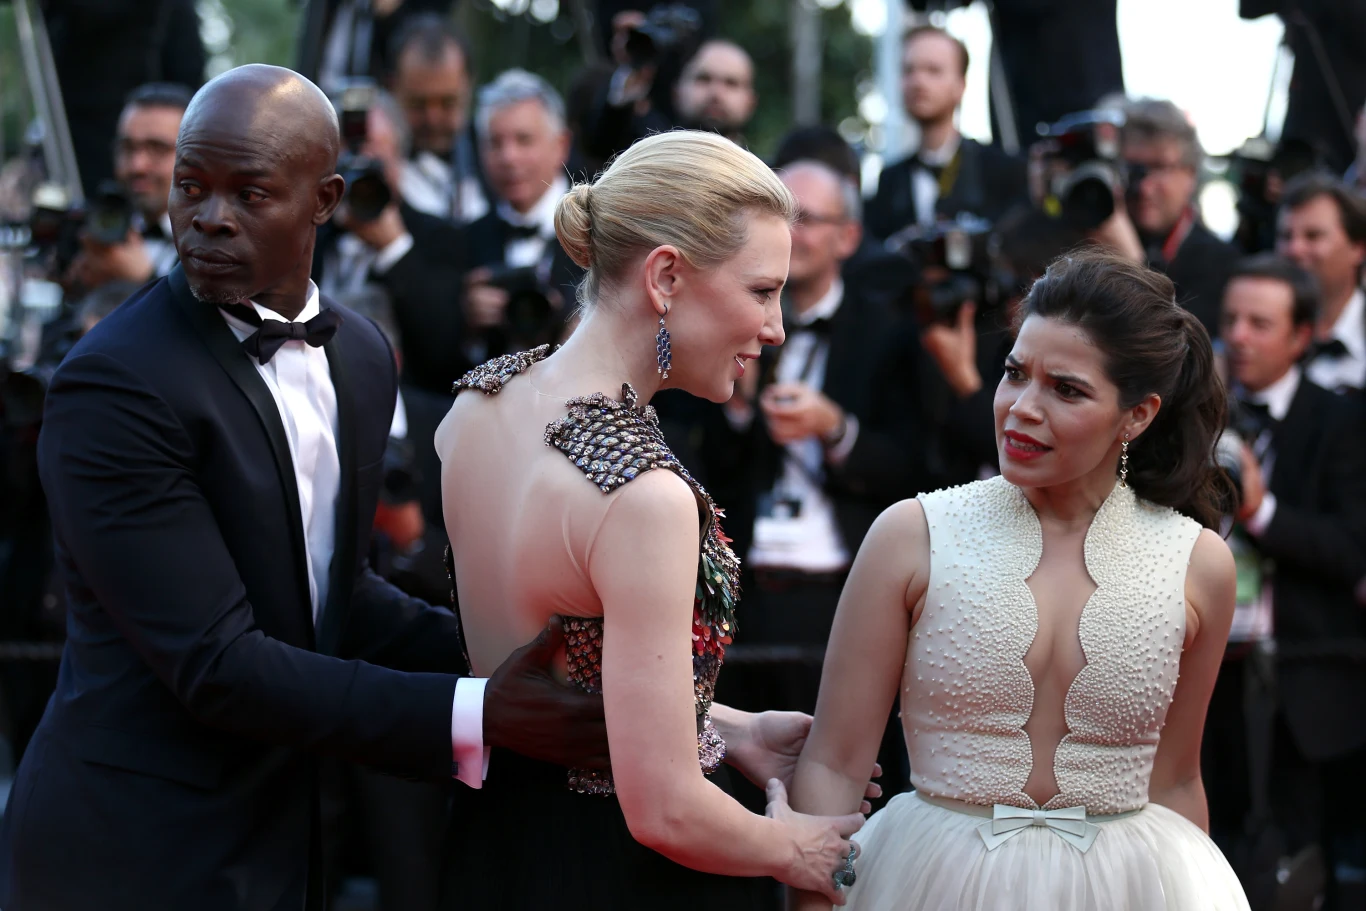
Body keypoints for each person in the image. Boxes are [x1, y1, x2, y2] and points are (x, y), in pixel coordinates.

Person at [0, 64, 613, 911]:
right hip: (130, 847)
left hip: (287, 835)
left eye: (249, 193)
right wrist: (477, 711)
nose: (209, 218)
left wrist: (531, 654)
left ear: (325, 200)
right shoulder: (113, 383)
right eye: (190, 187)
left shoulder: (359, 354)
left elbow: (336, 591)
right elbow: (216, 663)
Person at [435, 131, 870, 909]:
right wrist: (807, 851)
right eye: (762, 291)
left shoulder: (475, 406)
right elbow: (666, 808)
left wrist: (729, 729)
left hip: (492, 846)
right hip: (619, 876)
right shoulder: (646, 498)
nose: (776, 327)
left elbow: (567, 678)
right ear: (666, 275)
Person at [790, 250, 1251, 910]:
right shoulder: (912, 534)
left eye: (1067, 389)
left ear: (1138, 415)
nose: (1021, 409)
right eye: (1014, 373)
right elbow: (833, 763)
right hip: (928, 881)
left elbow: (1176, 781)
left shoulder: (1198, 562)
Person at [1220, 254, 1366, 906]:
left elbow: (1351, 549)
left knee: (1305, 869)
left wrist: (1262, 512)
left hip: (1306, 686)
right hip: (1212, 680)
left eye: (1259, 323)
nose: (1239, 336)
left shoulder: (1342, 420)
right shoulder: (1196, 415)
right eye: (1230, 320)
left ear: (1302, 336)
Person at [865, 25, 1027, 243]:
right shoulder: (889, 182)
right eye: (908, 70)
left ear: (960, 85)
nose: (918, 82)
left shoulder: (1004, 171)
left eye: (933, 70)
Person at [463, 69, 582, 363]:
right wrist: (465, 319)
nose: (509, 157)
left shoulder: (600, 231)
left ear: (561, 145)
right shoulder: (465, 240)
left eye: (524, 140)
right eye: (495, 143)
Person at [1117, 98, 1240, 341]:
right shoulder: (1087, 232)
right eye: (1133, 169)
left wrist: (1129, 260)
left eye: (1159, 168)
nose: (1144, 187)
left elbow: (1176, 350)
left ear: (1191, 175)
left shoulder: (1222, 264)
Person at [65, 82, 192, 293]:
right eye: (127, 148)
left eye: (157, 148)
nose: (137, 166)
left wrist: (144, 280)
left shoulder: (215, 240)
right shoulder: (93, 232)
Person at [387, 14, 490, 224]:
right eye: (418, 104)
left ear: (469, 87)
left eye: (447, 103)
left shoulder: (494, 156)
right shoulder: (369, 158)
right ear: (393, 88)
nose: (433, 119)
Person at [1275, 172, 1366, 393]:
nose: (1295, 250)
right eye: (1286, 236)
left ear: (1358, 248)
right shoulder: (1250, 332)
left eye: (1313, 236)